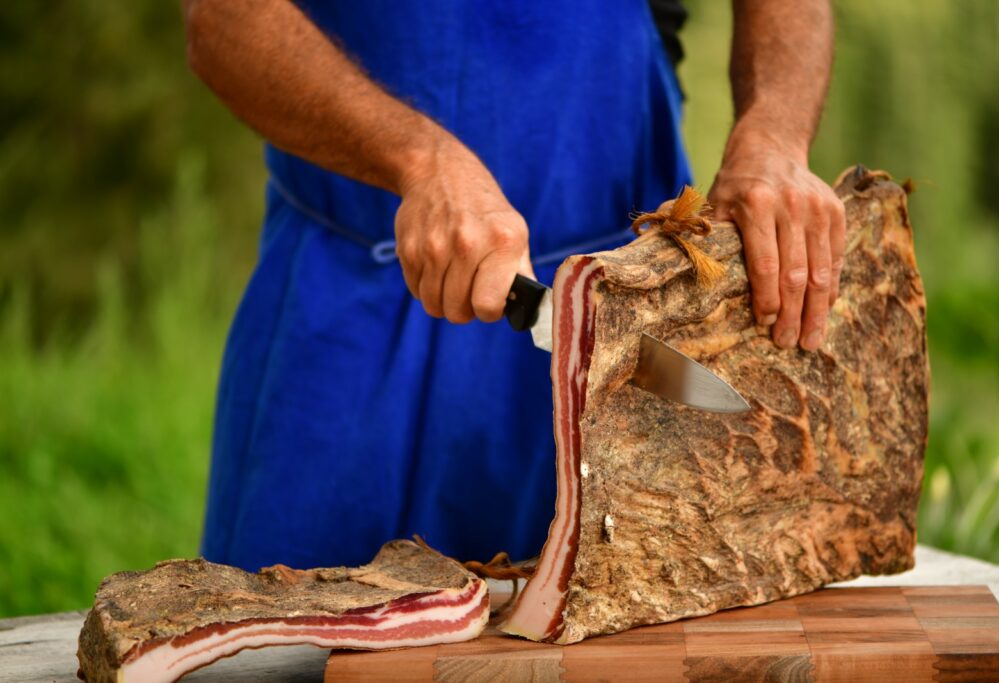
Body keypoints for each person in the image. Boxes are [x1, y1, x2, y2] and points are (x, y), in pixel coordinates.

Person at [183, 0, 845, 572]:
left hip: (624, 304)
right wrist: (419, 158)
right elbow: (222, 21)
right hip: (347, 318)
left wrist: (775, 132)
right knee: (290, 646)